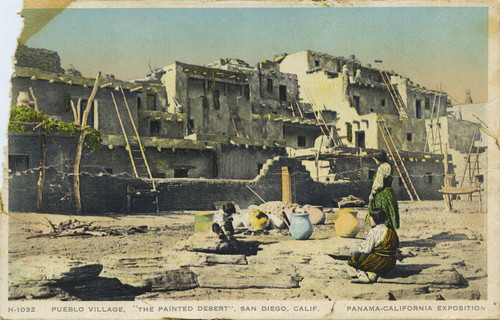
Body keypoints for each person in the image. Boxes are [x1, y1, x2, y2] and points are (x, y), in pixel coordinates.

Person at [347, 209, 399, 283]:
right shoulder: (391, 230)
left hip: (377, 262)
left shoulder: (374, 231)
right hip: (390, 263)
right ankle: (372, 274)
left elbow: (366, 250)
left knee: (352, 261)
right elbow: (396, 245)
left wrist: (358, 251)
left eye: (371, 219)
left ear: (375, 219)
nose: (370, 221)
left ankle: (363, 275)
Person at [366, 151, 400, 229]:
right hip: (389, 194)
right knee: (389, 216)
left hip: (381, 195)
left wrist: (372, 194)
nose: (375, 161)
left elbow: (379, 183)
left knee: (379, 217)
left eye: (375, 159)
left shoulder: (382, 168)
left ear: (379, 159)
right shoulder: (390, 166)